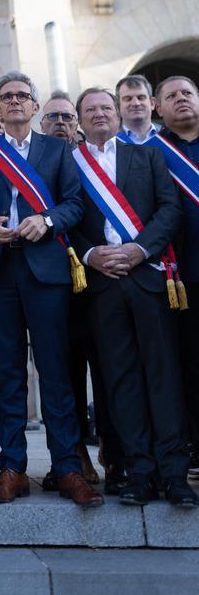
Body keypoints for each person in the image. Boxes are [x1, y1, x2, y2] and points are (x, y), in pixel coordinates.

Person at [0, 72, 101, 508]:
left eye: (22, 96)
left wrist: (45, 221)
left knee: (56, 372)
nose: (14, 102)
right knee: (8, 374)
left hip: (46, 271)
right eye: (6, 96)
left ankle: (66, 466)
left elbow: (73, 204)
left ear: (34, 105)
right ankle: (13, 467)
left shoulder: (55, 150)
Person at [71, 87, 194, 507]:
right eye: (91, 110)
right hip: (102, 283)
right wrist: (91, 254)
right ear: (80, 119)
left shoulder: (148, 155)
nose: (101, 114)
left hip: (148, 277)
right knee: (120, 381)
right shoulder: (71, 164)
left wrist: (140, 249)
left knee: (163, 376)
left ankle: (175, 474)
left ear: (118, 115)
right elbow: (68, 218)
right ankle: (139, 472)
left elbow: (169, 210)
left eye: (107, 107)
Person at [39, 92, 104, 490]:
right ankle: (72, 452)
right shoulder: (37, 159)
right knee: (64, 369)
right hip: (52, 279)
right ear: (40, 124)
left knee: (105, 365)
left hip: (97, 279)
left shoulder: (92, 159)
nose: (60, 123)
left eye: (66, 117)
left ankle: (112, 449)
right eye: (53, 117)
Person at [154, 76, 199, 476]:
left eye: (187, 93)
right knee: (190, 363)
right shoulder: (153, 151)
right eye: (172, 96)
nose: (181, 100)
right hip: (184, 278)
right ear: (157, 107)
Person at [116, 75, 157, 144]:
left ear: (152, 103)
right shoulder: (108, 141)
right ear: (118, 106)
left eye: (141, 97)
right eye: (128, 99)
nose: (136, 103)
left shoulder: (169, 137)